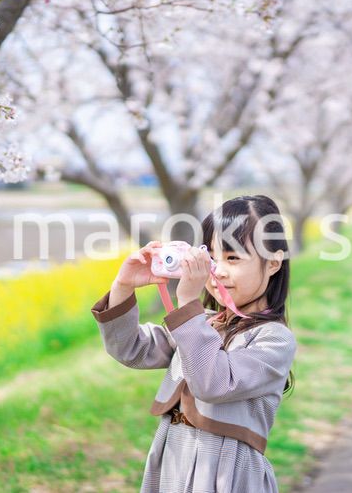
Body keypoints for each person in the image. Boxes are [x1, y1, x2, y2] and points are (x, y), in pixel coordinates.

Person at [90, 195, 297, 492]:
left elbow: (213, 383)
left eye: (233, 258)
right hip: (173, 458)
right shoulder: (204, 323)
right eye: (210, 257)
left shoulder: (274, 339)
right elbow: (130, 348)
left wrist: (188, 303)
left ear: (273, 263)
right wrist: (123, 285)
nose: (218, 271)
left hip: (227, 473)